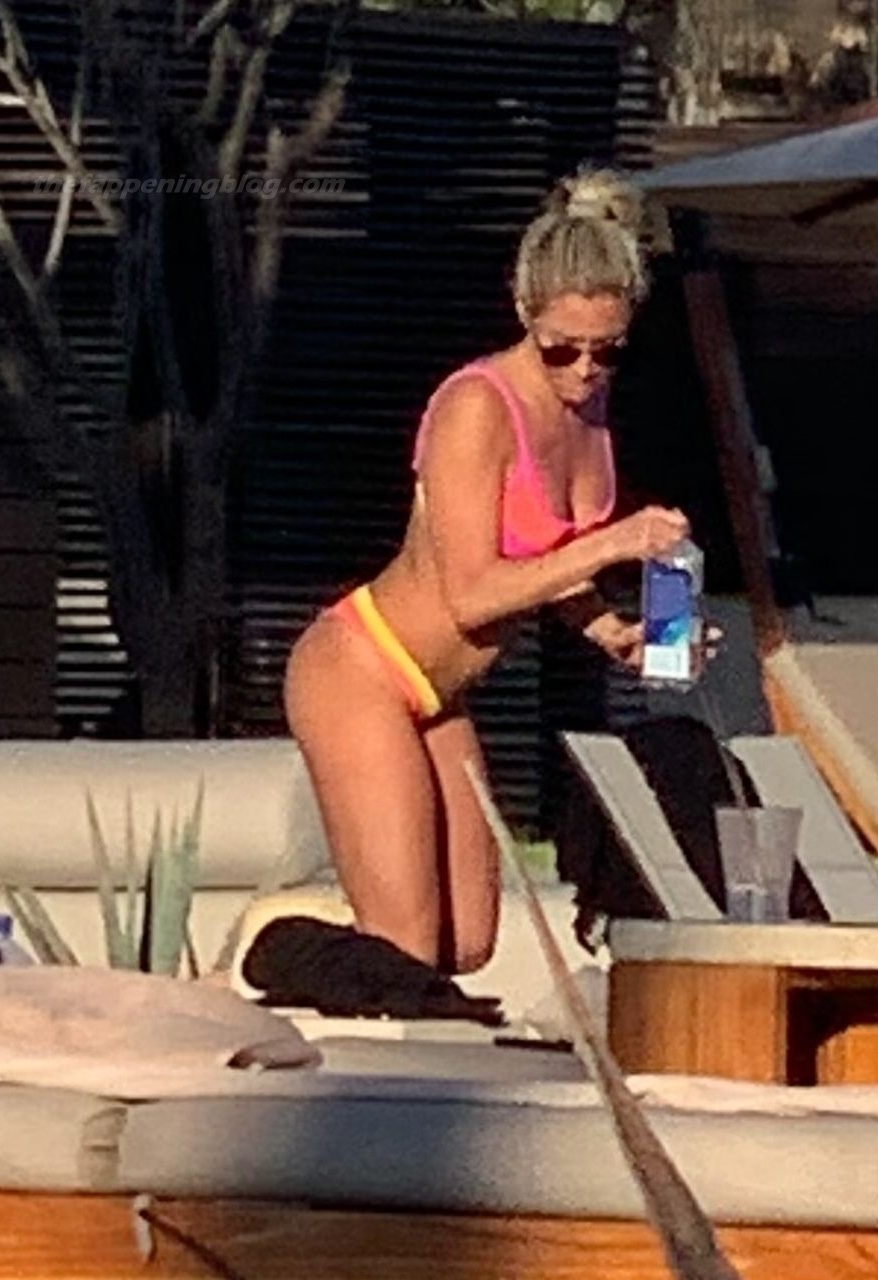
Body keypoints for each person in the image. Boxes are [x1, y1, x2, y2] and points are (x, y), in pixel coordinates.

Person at [282, 168, 699, 975]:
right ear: (524, 313)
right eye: (562, 348)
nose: (584, 369)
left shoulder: (589, 410)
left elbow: (542, 559)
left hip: (440, 693)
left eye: (607, 350)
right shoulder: (475, 408)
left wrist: (612, 631)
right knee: (406, 950)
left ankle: (324, 956)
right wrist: (614, 543)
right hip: (362, 670)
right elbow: (473, 593)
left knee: (468, 943)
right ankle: (275, 958)